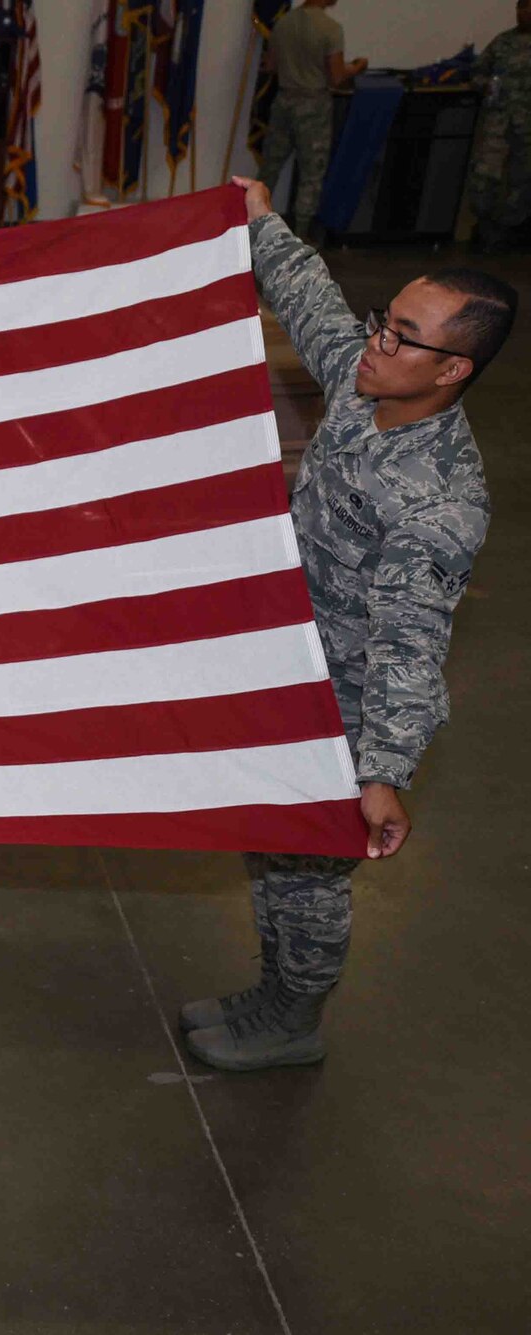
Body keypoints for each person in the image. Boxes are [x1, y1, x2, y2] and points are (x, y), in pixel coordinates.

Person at [182, 178, 512, 1072]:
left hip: (345, 708)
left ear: (453, 371)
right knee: (271, 852)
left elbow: (412, 641)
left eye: (404, 338)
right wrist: (258, 218)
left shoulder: (439, 501)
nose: (376, 342)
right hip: (290, 662)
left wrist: (382, 772)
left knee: (307, 875)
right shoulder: (370, 380)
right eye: (384, 319)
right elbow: (309, 296)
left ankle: (293, 1020)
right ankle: (271, 995)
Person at [257, 0, 366, 240]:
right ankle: (302, 234)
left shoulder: (283, 23)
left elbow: (271, 65)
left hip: (283, 101)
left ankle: (253, 228)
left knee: (269, 170)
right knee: (311, 174)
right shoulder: (330, 28)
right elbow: (337, 77)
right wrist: (357, 67)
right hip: (313, 105)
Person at [472, 0, 531, 251]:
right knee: (485, 175)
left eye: (528, 7)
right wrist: (485, 85)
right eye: (520, 7)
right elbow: (477, 73)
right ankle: (486, 229)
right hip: (499, 123)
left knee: (523, 181)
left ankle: (513, 231)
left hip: (528, 128)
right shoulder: (502, 42)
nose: (523, 12)